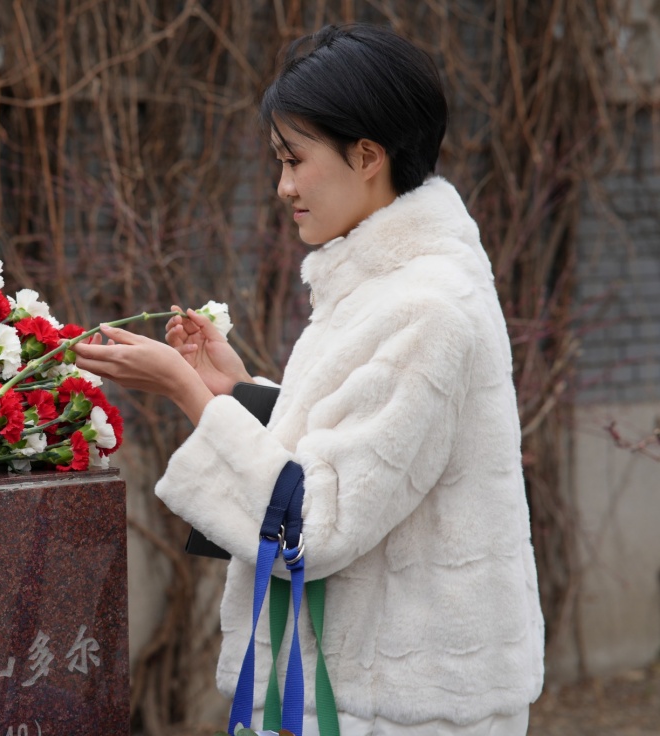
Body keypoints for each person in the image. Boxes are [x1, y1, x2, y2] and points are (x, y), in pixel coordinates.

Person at [74, 24, 545, 735]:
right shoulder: (389, 285)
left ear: (367, 156)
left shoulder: (425, 307)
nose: (283, 186)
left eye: (295, 160)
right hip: (365, 690)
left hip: (396, 707)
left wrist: (188, 393)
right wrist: (241, 394)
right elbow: (355, 459)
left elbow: (316, 526)